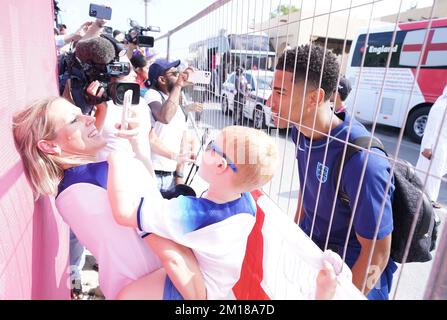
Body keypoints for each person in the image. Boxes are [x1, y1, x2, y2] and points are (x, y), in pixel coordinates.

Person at [107, 125, 344, 300]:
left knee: (125, 297)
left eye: (211, 145)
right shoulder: (246, 202)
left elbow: (123, 211)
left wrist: (116, 157)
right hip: (219, 290)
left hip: (196, 290)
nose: (206, 146)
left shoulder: (195, 215)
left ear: (221, 165)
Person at [12, 97, 206, 300]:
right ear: (50, 146)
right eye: (73, 120)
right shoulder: (108, 173)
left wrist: (137, 145)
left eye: (82, 112)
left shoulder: (69, 190)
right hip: (173, 288)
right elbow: (170, 248)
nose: (88, 118)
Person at [266, 44, 397, 300]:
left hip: (352, 276)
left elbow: (378, 254)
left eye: (280, 92)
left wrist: (349, 295)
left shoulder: (363, 162)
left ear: (314, 98)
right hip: (315, 259)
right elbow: (308, 187)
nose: (269, 101)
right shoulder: (299, 131)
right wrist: (294, 237)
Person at [144, 59, 200, 192]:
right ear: (162, 80)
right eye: (174, 73)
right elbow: (165, 117)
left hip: (170, 177)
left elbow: (182, 140)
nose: (179, 75)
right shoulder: (152, 95)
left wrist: (179, 176)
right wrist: (178, 85)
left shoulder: (175, 102)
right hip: (152, 174)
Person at [416, 82, 447, 209]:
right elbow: (431, 129)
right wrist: (427, 147)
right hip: (436, 145)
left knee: (436, 173)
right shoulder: (441, 106)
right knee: (432, 173)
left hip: (445, 146)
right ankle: (428, 199)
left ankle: (426, 197)